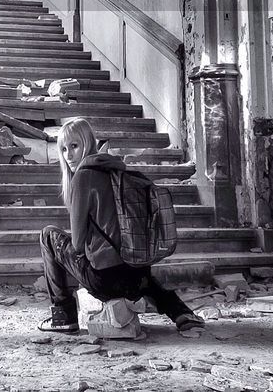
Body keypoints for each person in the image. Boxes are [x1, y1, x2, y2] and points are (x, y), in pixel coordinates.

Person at [38, 117, 205, 334]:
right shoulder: (117, 171)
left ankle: (62, 316)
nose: (68, 155)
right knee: (130, 268)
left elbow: (78, 245)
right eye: (63, 149)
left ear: (88, 143)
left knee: (48, 235)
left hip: (105, 282)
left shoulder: (83, 176)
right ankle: (180, 311)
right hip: (139, 278)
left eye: (74, 146)